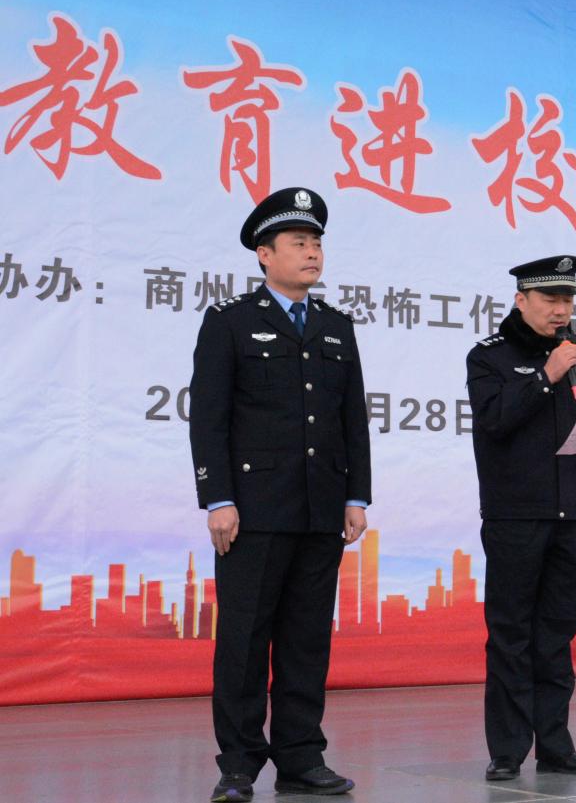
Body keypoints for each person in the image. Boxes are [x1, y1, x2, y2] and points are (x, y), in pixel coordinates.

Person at [189, 187, 369, 802]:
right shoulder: (230, 321)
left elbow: (352, 419)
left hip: (320, 508)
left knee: (306, 639)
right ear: (265, 254)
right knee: (244, 640)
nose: (312, 252)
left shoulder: (336, 326)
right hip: (255, 510)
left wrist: (357, 495)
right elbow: (208, 418)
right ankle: (238, 764)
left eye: (317, 242)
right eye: (299, 243)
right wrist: (218, 499)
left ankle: (301, 756)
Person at [465, 255, 576, 781]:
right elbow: (494, 421)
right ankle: (508, 749)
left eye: (567, 301)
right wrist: (545, 376)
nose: (561, 310)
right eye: (550, 300)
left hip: (572, 514)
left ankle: (555, 744)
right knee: (511, 633)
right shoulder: (489, 356)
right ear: (522, 300)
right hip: (515, 515)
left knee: (557, 633)